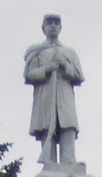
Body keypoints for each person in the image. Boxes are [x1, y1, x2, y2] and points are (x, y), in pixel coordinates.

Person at [24, 15, 84, 164]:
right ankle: (49, 163)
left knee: (68, 127)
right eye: (49, 23)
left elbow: (79, 76)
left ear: (60, 28)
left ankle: (69, 163)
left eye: (56, 23)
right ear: (43, 27)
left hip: (64, 95)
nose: (53, 26)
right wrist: (47, 69)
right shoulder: (36, 51)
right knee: (47, 128)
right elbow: (29, 75)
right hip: (46, 94)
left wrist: (64, 65)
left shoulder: (69, 52)